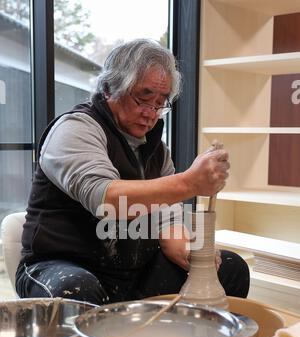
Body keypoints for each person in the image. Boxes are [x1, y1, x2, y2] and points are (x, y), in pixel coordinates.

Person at [15, 39, 249, 305]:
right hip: (60, 266)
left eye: (161, 103)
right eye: (143, 98)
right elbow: (106, 200)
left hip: (131, 275)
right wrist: (190, 183)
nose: (151, 113)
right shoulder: (76, 129)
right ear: (108, 89)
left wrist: (191, 253)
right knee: (78, 291)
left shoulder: (157, 151)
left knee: (230, 268)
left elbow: (168, 224)